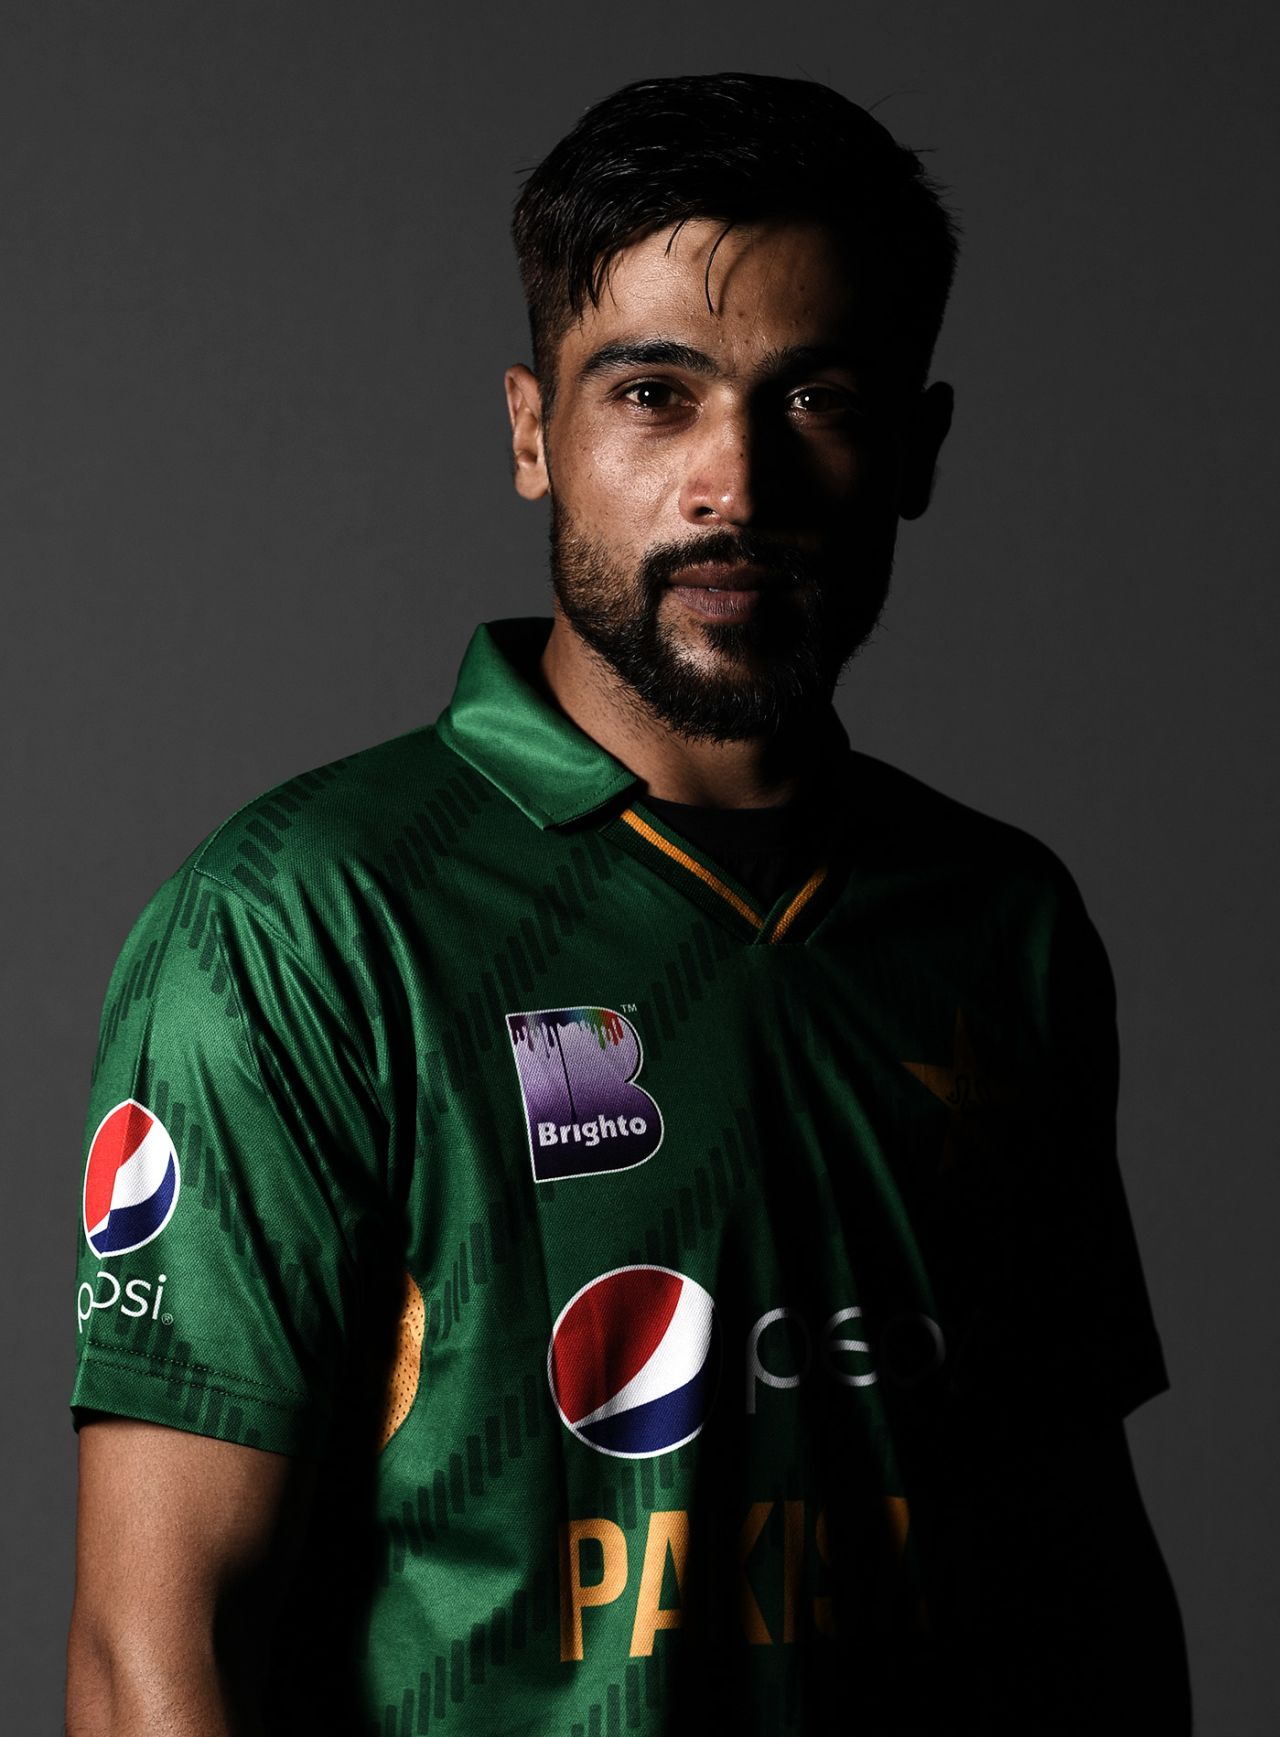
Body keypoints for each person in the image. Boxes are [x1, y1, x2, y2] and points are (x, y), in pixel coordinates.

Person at [66, 72, 1190, 1736]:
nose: (733, 480)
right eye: (654, 393)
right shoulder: (299, 921)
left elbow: (1079, 1574)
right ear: (535, 432)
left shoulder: (999, 923)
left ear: (918, 450)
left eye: (814, 397)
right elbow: (154, 1652)